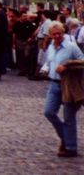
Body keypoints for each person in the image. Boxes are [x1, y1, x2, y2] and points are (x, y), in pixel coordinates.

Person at [41, 21, 84, 157]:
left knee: (68, 117)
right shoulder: (51, 47)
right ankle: (66, 139)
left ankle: (71, 147)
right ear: (50, 35)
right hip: (54, 84)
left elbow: (82, 61)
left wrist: (67, 65)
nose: (57, 36)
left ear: (63, 32)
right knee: (49, 112)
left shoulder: (71, 47)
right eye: (54, 34)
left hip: (68, 85)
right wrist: (46, 68)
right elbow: (49, 61)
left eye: (59, 33)